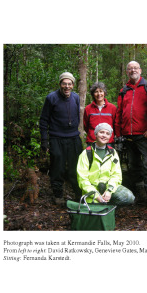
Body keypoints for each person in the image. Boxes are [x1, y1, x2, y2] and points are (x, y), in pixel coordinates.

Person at [114, 60, 147, 211]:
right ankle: (137, 193)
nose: (133, 70)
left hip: (144, 134)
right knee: (132, 165)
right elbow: (119, 113)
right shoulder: (124, 90)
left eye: (135, 68)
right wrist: (118, 133)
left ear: (140, 70)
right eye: (130, 68)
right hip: (128, 135)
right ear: (127, 72)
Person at [39, 72, 83, 205]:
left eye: (69, 84)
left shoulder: (76, 97)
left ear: (73, 85)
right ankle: (58, 195)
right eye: (64, 83)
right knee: (57, 168)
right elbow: (43, 120)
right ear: (60, 84)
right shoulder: (51, 98)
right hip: (56, 138)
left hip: (73, 138)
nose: (67, 86)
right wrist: (44, 140)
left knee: (76, 168)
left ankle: (79, 194)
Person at [77, 123, 134, 206]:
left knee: (129, 197)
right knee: (96, 212)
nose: (104, 135)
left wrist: (109, 191)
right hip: (92, 191)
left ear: (110, 137)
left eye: (107, 134)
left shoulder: (112, 152)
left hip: (107, 188)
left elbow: (116, 175)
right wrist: (96, 195)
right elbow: (82, 179)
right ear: (96, 134)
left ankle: (108, 206)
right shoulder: (86, 153)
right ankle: (99, 205)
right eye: (101, 132)